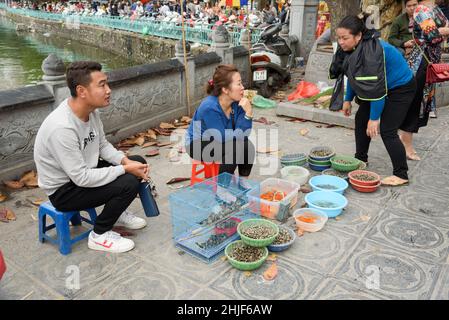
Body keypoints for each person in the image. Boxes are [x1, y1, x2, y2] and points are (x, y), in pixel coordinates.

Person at [34, 61, 150, 253]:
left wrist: (125, 161)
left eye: (107, 84)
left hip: (82, 173)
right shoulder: (62, 127)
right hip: (64, 191)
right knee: (128, 181)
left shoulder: (90, 112)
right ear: (81, 91)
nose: (108, 90)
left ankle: (116, 212)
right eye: (102, 85)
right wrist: (124, 169)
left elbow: (102, 145)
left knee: (137, 162)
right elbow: (81, 178)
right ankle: (99, 235)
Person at [333, 15, 417, 186]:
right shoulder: (353, 48)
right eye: (339, 38)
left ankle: (401, 174)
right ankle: (361, 160)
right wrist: (347, 99)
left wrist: (374, 118)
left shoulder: (371, 53)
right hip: (381, 86)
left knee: (387, 130)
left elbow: (376, 90)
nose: (341, 42)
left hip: (400, 87)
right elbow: (354, 77)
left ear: (358, 36)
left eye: (345, 38)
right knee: (360, 119)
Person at [185, 64, 255, 181]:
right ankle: (222, 189)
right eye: (238, 84)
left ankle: (243, 182)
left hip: (220, 139)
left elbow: (244, 134)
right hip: (197, 144)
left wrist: (248, 113)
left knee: (247, 145)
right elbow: (222, 137)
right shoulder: (209, 107)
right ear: (225, 89)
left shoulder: (238, 103)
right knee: (234, 148)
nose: (243, 87)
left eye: (241, 83)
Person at [401, 0, 449, 159]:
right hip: (420, 62)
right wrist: (442, 30)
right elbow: (433, 37)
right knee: (415, 103)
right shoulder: (421, 9)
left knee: (424, 102)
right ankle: (406, 145)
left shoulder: (435, 8)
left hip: (430, 62)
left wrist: (441, 30)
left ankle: (406, 140)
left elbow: (438, 32)